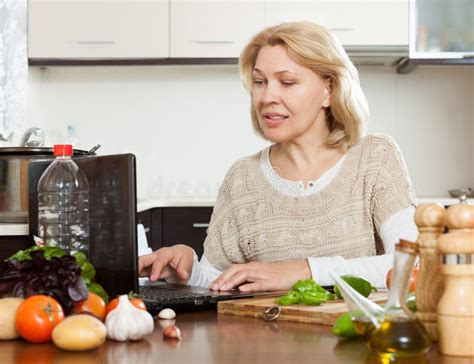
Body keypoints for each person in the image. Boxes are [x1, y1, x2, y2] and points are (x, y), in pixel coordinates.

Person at [138, 21, 418, 292]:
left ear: (328, 90)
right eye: (260, 81)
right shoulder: (242, 177)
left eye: (286, 82)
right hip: (267, 337)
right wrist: (187, 270)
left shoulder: (375, 156)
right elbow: (219, 281)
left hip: (357, 336)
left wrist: (304, 271)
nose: (267, 96)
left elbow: (411, 263)